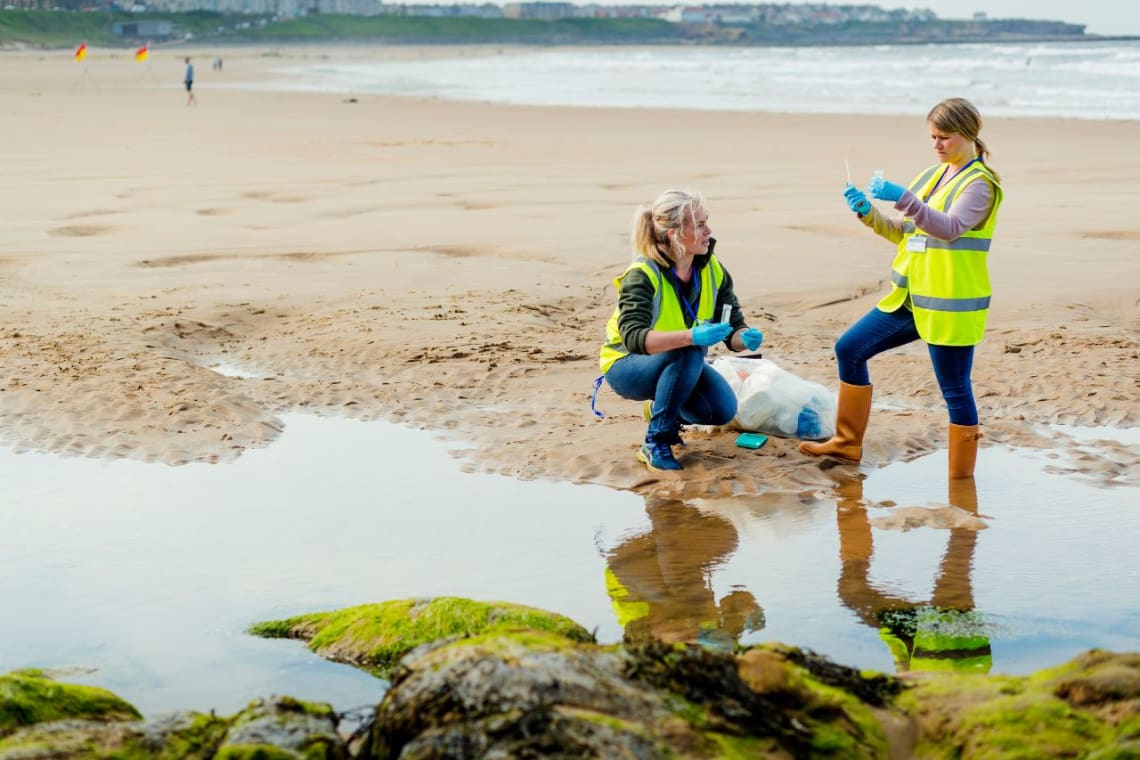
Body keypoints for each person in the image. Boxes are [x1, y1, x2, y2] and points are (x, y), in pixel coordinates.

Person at [799, 98, 1003, 479]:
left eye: (944, 137)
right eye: (932, 138)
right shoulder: (931, 175)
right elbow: (904, 231)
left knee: (955, 390)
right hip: (909, 298)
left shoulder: (980, 185)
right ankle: (846, 444)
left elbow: (950, 227)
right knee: (849, 348)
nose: (937, 145)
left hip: (949, 305)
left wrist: (903, 198)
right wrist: (867, 212)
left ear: (968, 135)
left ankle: (961, 481)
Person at [598, 190, 765, 472]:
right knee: (690, 350)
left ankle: (662, 411)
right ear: (675, 234)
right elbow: (634, 338)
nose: (708, 231)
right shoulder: (643, 274)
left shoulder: (713, 269)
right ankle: (655, 441)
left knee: (721, 410)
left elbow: (733, 329)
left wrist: (743, 338)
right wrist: (691, 337)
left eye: (706, 222)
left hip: (679, 361)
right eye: (699, 225)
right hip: (626, 365)